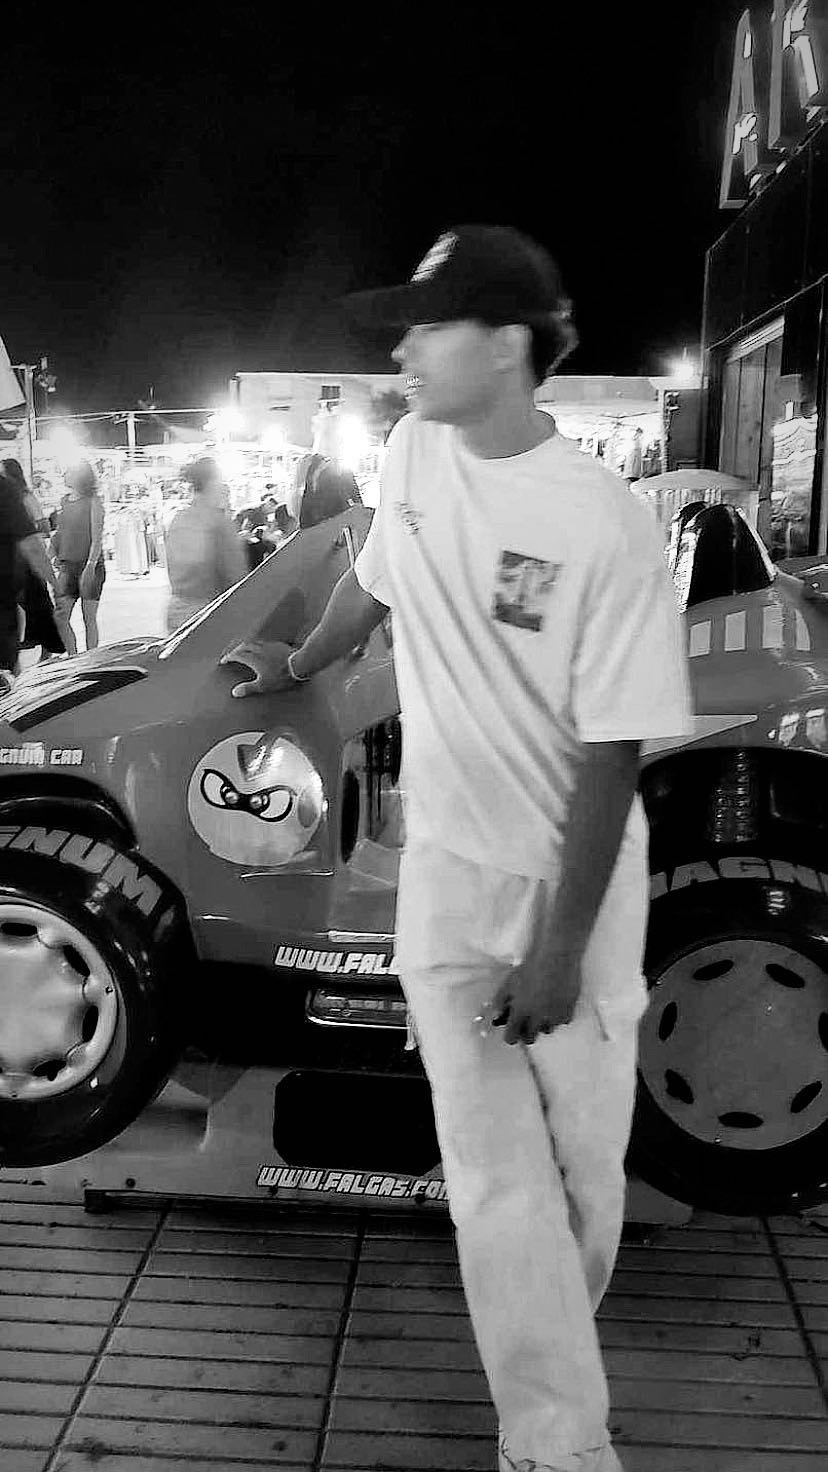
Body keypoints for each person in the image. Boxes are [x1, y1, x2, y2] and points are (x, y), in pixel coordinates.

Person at [223, 225, 693, 1472]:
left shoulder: (603, 523)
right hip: (446, 881)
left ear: (505, 345)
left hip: (571, 884)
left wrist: (560, 947)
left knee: (583, 1177)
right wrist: (298, 661)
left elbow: (612, 754)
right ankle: (555, 1440)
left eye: (427, 327)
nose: (402, 351)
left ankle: (553, 1378)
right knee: (492, 1175)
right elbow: (376, 579)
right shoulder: (414, 450)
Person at [164, 456, 247, 632]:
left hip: (176, 611)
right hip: (208, 616)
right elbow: (235, 577)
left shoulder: (178, 519)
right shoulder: (218, 523)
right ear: (212, 483)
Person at [0, 459, 65, 660]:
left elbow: (38, 533)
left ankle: (48, 647)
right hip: (16, 569)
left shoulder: (19, 495)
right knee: (37, 603)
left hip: (21, 565)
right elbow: (31, 544)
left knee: (38, 603)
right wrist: (55, 583)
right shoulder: (7, 491)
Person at [52, 461, 106, 655]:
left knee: (88, 617)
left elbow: (97, 537)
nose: (64, 475)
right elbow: (60, 532)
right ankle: (73, 656)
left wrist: (90, 565)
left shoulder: (93, 502)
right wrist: (52, 554)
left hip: (89, 564)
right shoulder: (64, 501)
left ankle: (91, 658)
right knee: (61, 616)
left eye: (69, 471)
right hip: (67, 565)